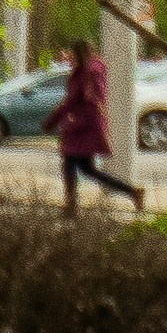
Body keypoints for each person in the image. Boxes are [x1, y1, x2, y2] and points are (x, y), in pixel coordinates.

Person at [57, 42, 145, 210]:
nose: (70, 59)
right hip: (79, 126)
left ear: (80, 54)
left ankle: (71, 204)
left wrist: (73, 116)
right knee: (86, 168)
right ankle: (132, 192)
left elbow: (91, 99)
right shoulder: (88, 70)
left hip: (83, 127)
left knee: (72, 163)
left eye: (72, 55)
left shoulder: (91, 72)